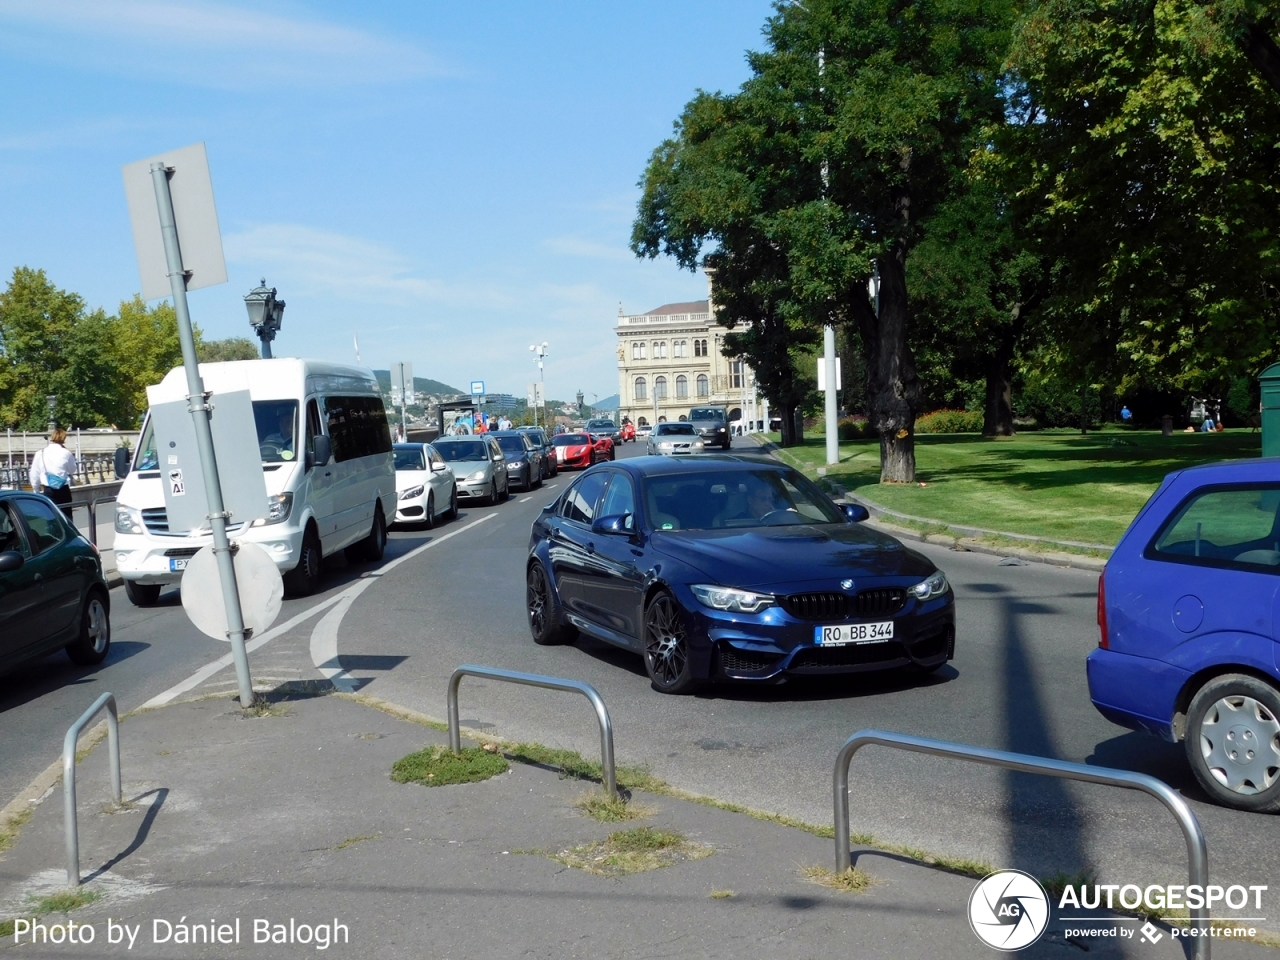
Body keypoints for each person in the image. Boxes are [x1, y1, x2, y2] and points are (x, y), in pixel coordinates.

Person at [30, 427, 77, 518]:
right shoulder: (66, 453)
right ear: (63, 439)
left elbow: (34, 473)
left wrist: (36, 489)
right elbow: (72, 470)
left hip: (48, 488)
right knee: (66, 516)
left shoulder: (40, 453)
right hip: (63, 488)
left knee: (50, 516)